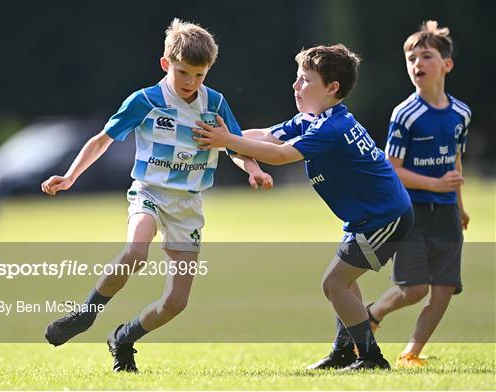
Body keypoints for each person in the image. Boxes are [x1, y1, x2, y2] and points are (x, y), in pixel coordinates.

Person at [41, 18, 273, 373]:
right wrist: (71, 176)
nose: (191, 83)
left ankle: (124, 338)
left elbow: (236, 146)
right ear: (166, 64)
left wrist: (254, 169)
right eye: (183, 73)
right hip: (149, 192)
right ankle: (84, 316)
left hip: (188, 204)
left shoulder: (215, 104)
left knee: (176, 302)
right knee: (136, 251)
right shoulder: (145, 100)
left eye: (200, 75)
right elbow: (102, 139)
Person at [192, 44, 413, 371]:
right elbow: (267, 137)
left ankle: (371, 357)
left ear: (332, 87)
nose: (295, 86)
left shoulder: (330, 129)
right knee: (346, 283)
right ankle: (344, 352)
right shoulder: (312, 119)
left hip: (385, 219)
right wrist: (220, 134)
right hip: (367, 218)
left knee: (334, 284)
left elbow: (280, 156)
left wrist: (226, 140)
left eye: (305, 80)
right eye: (297, 79)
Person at [365, 20, 471, 368]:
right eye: (411, 57)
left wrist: (459, 205)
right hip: (412, 211)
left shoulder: (461, 113)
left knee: (443, 290)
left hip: (446, 214)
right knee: (414, 289)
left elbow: (454, 160)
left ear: (446, 65)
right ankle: (373, 314)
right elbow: (391, 168)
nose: (417, 64)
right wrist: (435, 185)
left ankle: (411, 353)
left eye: (426, 56)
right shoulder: (406, 114)